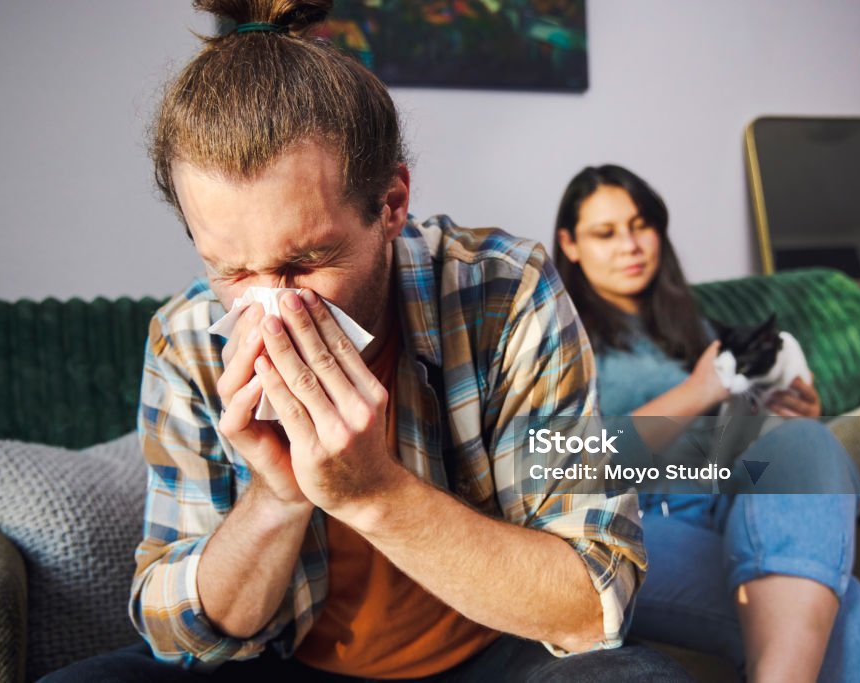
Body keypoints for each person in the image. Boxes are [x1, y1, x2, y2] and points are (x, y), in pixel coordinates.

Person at [42, 3, 695, 681]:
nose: (272, 304)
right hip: (289, 662)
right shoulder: (188, 340)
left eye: (305, 262)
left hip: (492, 655)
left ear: (391, 204)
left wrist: (373, 491)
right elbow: (179, 636)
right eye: (232, 270)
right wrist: (277, 494)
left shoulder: (505, 292)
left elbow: (593, 600)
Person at [552, 164, 860, 683]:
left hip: (730, 498)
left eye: (641, 225)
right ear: (570, 244)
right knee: (851, 619)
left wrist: (786, 415)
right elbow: (573, 464)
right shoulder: (557, 334)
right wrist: (699, 390)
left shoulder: (698, 326)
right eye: (605, 232)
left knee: (805, 440)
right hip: (634, 523)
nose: (631, 245)